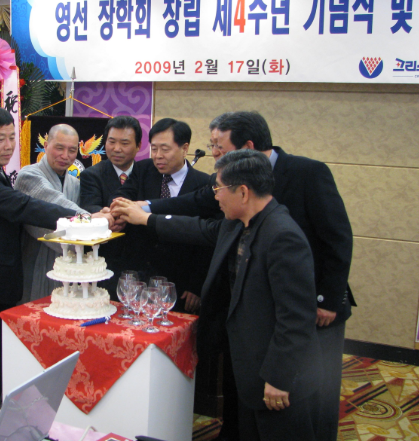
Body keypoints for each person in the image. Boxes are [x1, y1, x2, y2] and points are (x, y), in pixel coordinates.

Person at [128, 111, 354, 440]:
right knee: (250, 410)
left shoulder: (285, 225)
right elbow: (199, 223)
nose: (215, 195)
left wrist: (280, 375)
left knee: (295, 412)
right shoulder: (240, 215)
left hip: (297, 327)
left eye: (219, 148)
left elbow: (333, 247)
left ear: (244, 189)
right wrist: (145, 215)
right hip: (253, 333)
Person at [0, 107, 112, 418]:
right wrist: (84, 219)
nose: (8, 146)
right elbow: (23, 206)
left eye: (11, 138)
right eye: (0, 139)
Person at [111, 118, 212, 313]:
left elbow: (207, 240)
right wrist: (115, 208)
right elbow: (122, 194)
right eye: (154, 149)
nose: (158, 156)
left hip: (179, 281)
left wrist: (197, 285)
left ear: (184, 148)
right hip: (139, 275)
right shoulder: (143, 169)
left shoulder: (203, 184)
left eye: (165, 149)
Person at [15, 124, 88, 302]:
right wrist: (93, 220)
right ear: (46, 146)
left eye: (72, 150)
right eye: (59, 148)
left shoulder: (75, 183)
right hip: (35, 260)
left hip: (68, 267)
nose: (65, 155)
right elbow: (55, 203)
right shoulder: (29, 175)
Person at [79, 116, 146, 296]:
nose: (117, 148)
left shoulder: (147, 173)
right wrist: (108, 214)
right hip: (105, 262)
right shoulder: (91, 175)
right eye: (111, 141)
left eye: (124, 143)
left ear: (138, 145)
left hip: (143, 263)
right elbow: (89, 208)